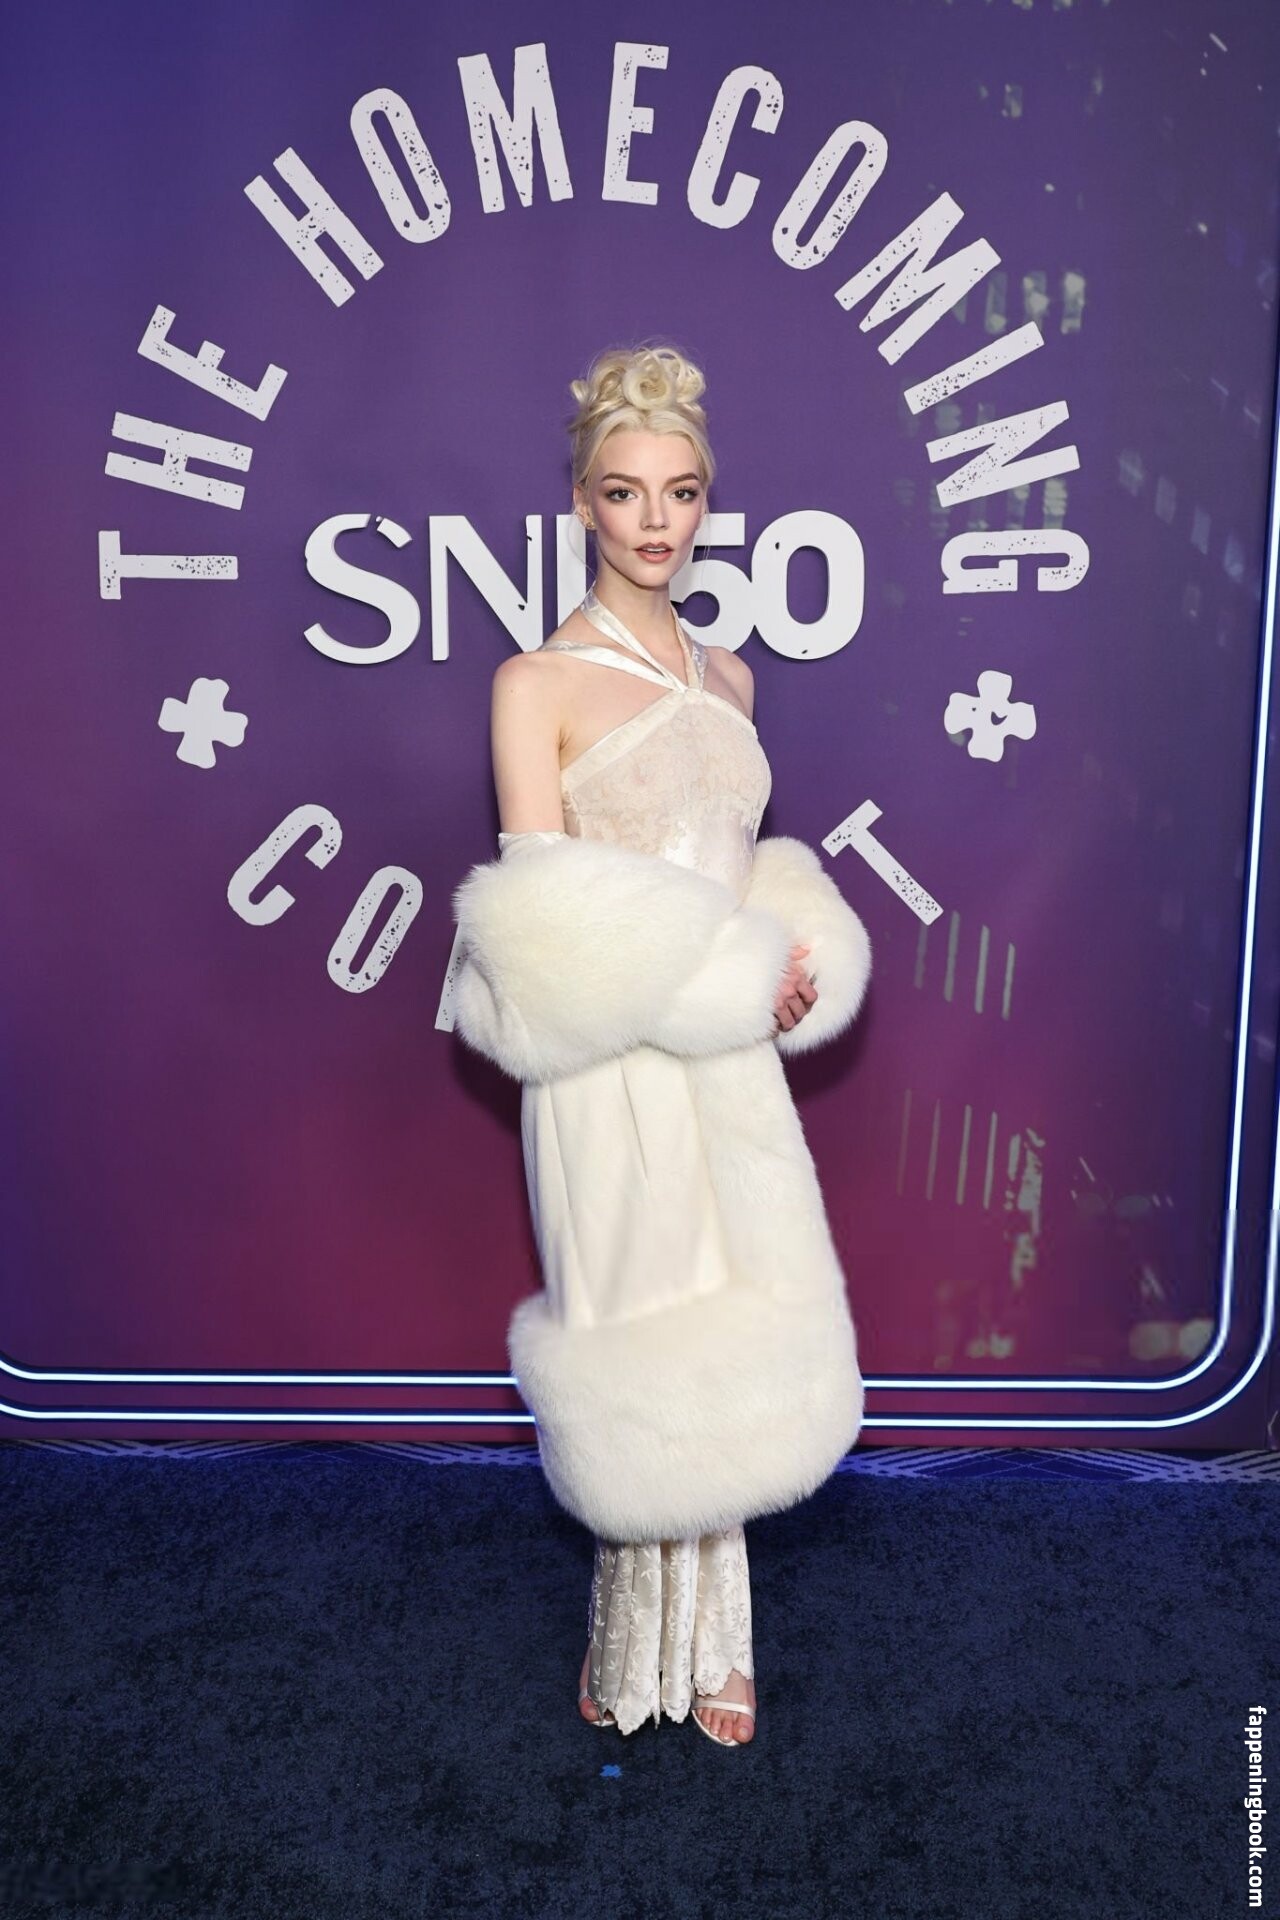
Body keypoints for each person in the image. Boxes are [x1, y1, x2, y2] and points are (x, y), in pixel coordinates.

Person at [450, 343, 872, 1746]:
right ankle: (633, 1637)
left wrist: (788, 958)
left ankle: (721, 1643)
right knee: (639, 1338)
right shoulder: (535, 681)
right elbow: (540, 913)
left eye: (680, 492)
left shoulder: (734, 678)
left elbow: (735, 872)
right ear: (582, 502)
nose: (655, 521)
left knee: (725, 1329)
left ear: (705, 502)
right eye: (625, 492)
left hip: (725, 1067)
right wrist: (714, 979)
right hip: (607, 1064)